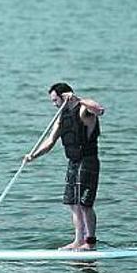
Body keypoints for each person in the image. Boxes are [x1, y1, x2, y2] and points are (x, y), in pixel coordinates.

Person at [24, 82, 105, 251]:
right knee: (73, 203)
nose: (54, 104)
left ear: (65, 97)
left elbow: (99, 110)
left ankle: (90, 242)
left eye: (55, 100)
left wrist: (78, 99)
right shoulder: (61, 118)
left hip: (87, 161)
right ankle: (78, 240)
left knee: (85, 204)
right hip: (73, 162)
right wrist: (33, 156)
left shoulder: (83, 111)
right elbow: (50, 141)